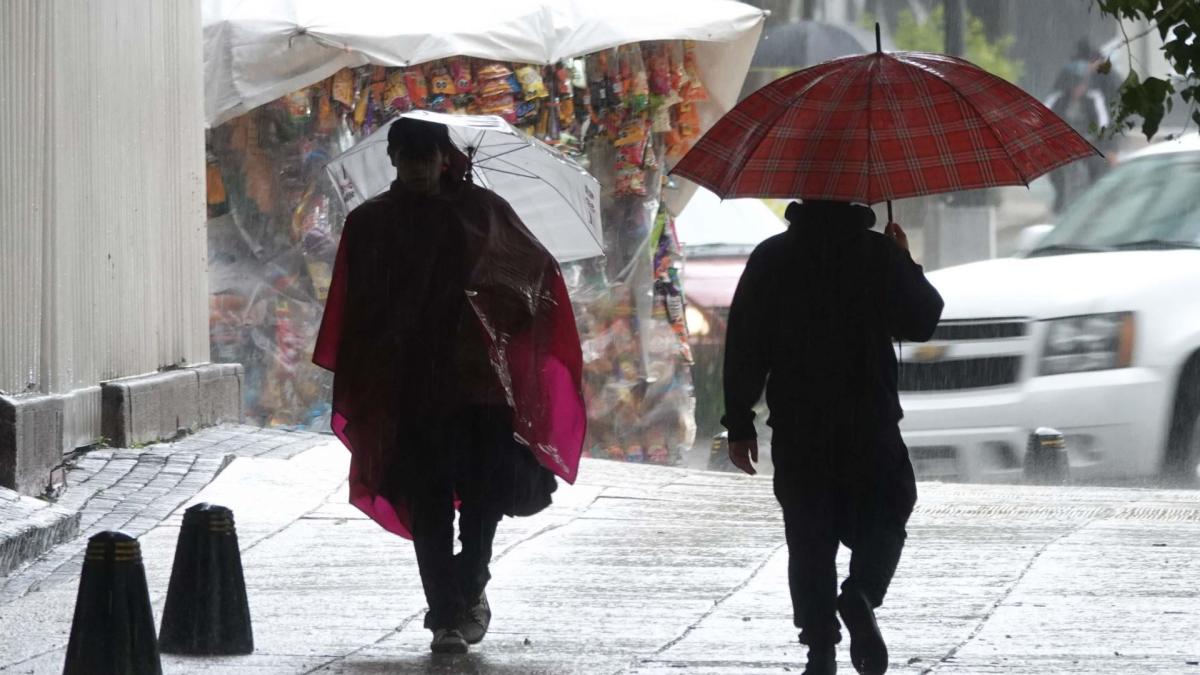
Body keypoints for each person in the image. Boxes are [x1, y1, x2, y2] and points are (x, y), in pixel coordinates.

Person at [312, 117, 585, 654]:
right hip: (410, 387)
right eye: (407, 158)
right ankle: (445, 611)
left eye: (426, 157)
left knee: (482, 495)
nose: (417, 169)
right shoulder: (371, 223)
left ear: (444, 159)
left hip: (478, 385)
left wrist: (486, 287)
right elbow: (358, 308)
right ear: (393, 161)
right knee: (428, 496)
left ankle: (469, 587)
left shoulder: (485, 214)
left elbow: (532, 284)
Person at [721, 201, 943, 675]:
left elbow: (744, 343)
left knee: (810, 536)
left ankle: (820, 649)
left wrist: (739, 422)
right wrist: (903, 259)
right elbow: (922, 320)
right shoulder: (877, 254)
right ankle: (861, 593)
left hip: (800, 424)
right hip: (870, 418)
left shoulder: (772, 257)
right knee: (890, 506)